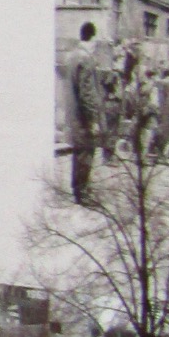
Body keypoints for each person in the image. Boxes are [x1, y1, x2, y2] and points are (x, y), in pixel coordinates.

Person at [68, 22, 104, 202]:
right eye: (96, 42)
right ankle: (83, 193)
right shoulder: (86, 60)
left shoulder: (72, 56)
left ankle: (77, 188)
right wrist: (93, 121)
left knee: (78, 152)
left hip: (74, 114)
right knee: (86, 153)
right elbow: (87, 93)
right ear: (92, 39)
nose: (97, 46)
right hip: (84, 117)